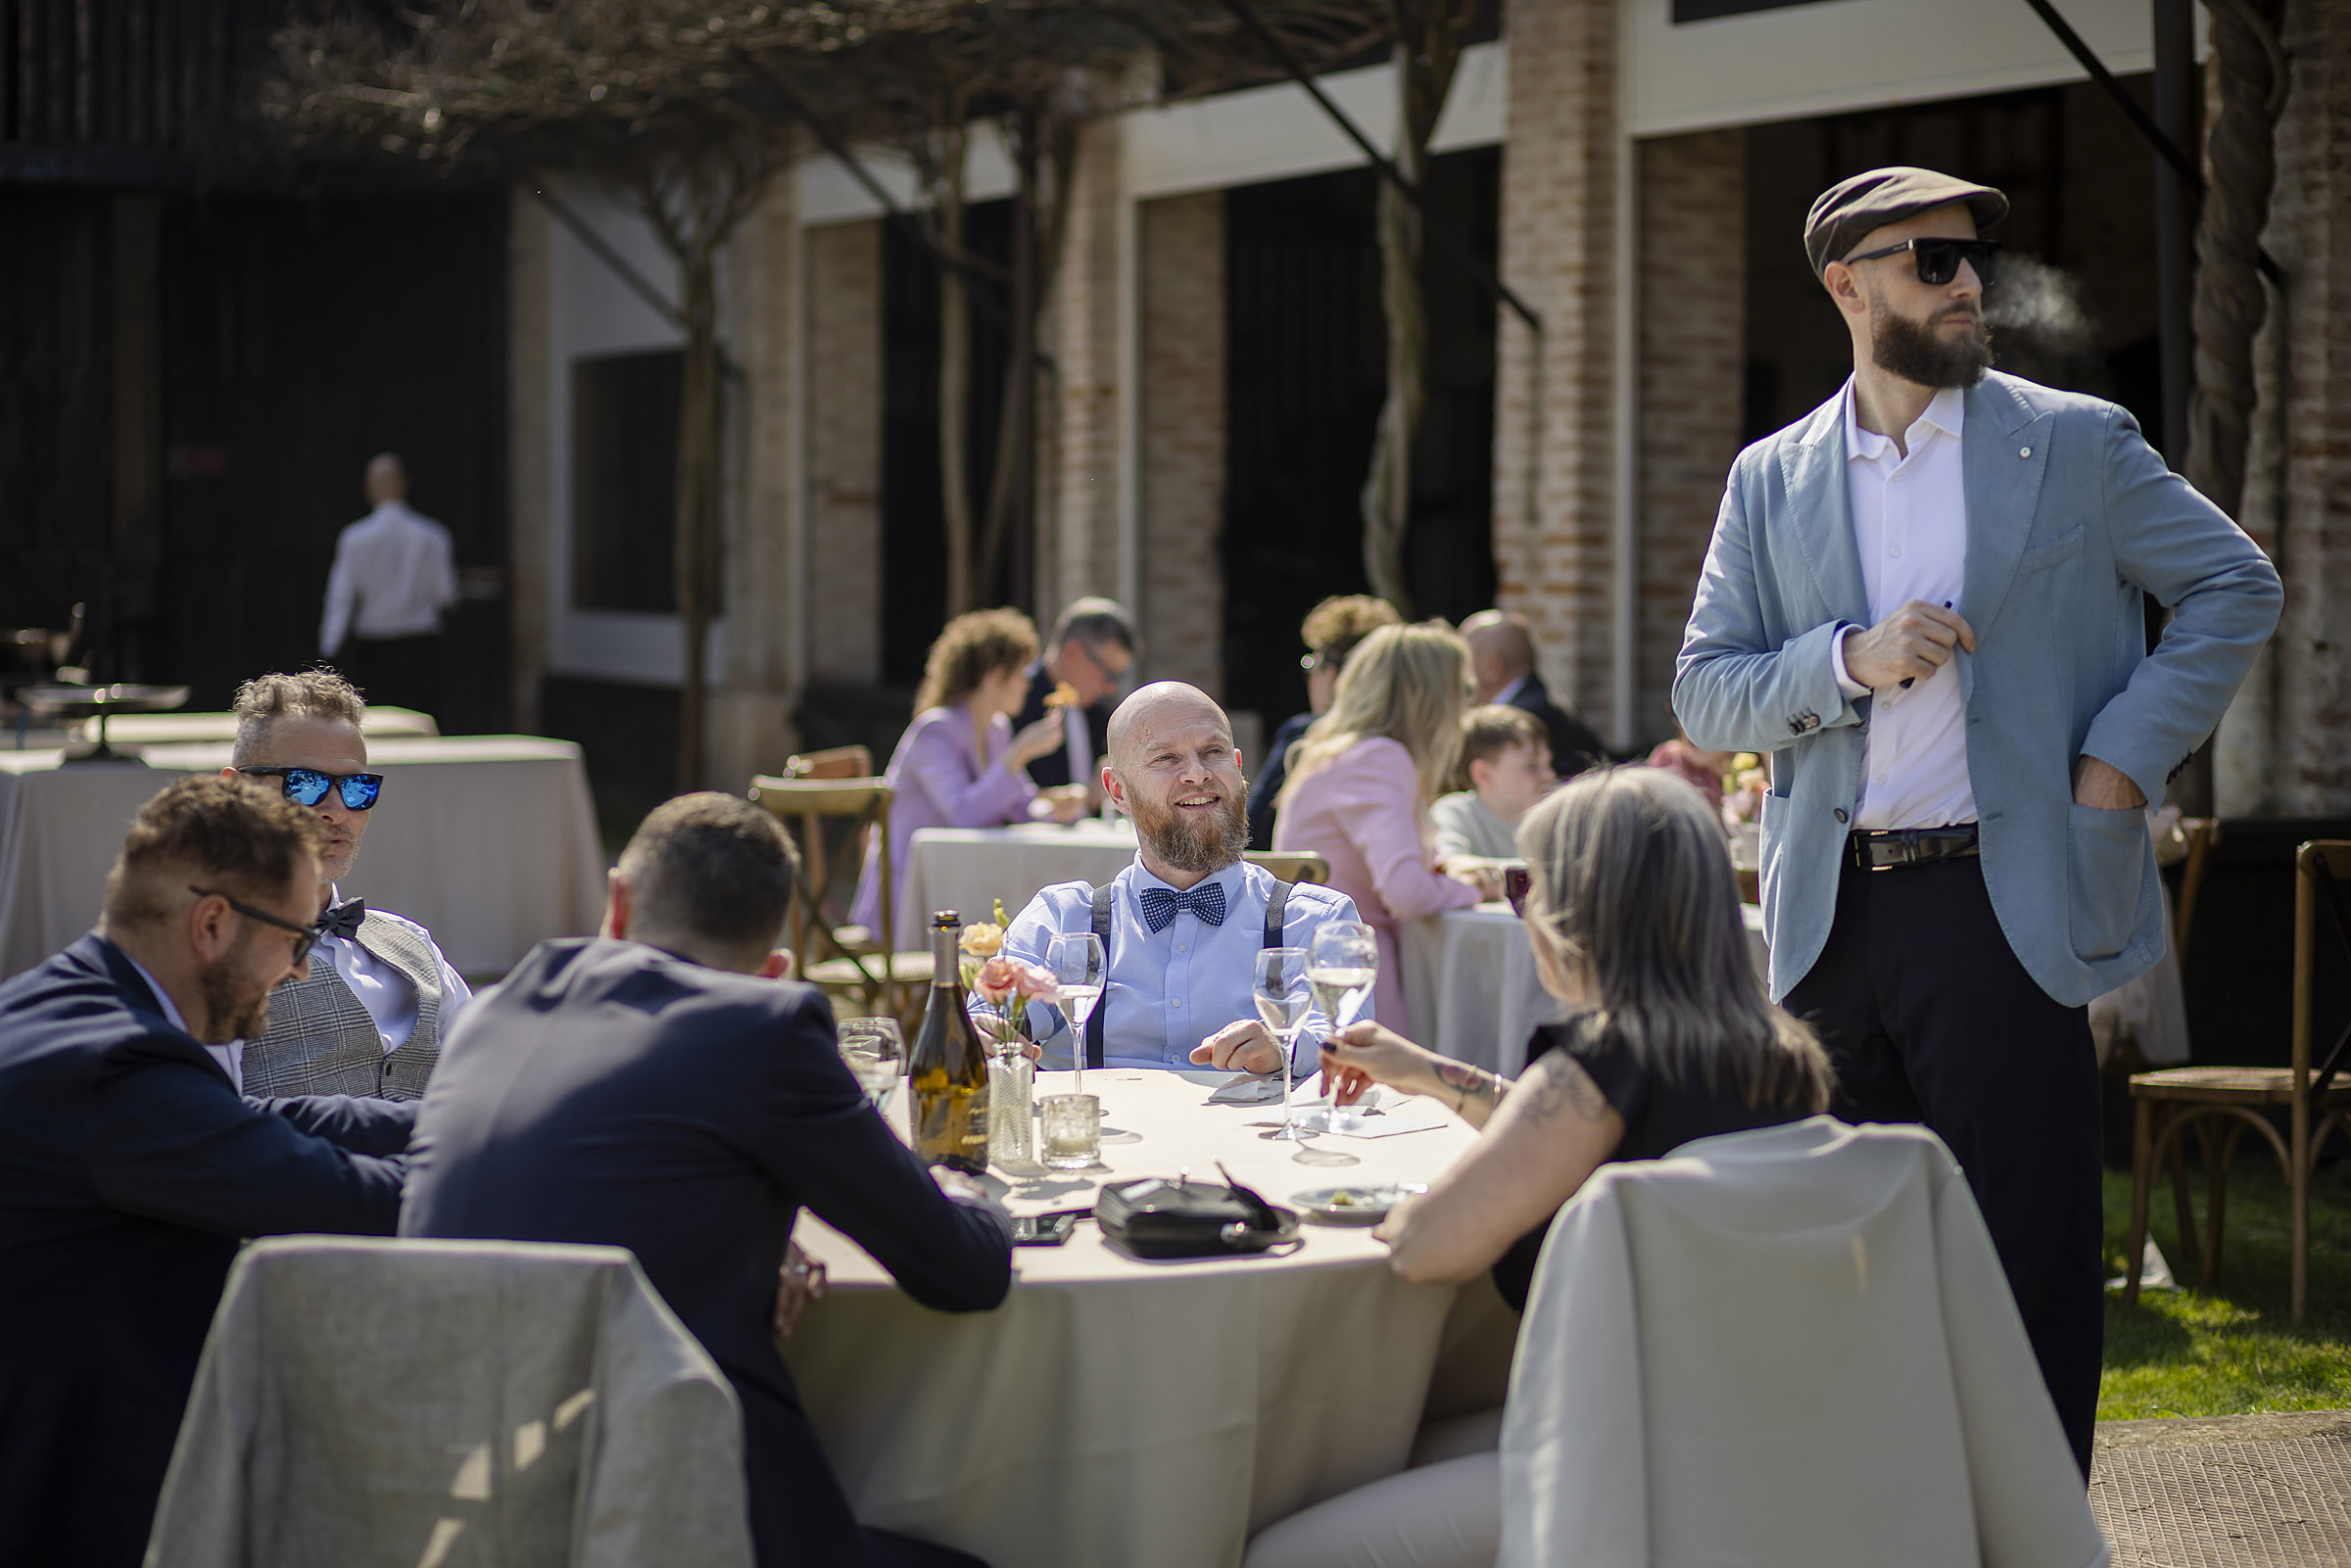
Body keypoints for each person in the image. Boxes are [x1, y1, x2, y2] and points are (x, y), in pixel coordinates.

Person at [1674, 166, 2282, 1474]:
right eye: (1931, 261)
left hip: (2001, 910)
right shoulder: (1771, 477)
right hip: (1830, 921)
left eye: (1973, 263)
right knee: (1839, 1259)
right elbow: (1706, 688)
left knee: (2028, 1259)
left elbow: (2236, 582)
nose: (1967, 285)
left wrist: (2120, 757)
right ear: (1848, 286)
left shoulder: (2072, 442)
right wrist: (1846, 660)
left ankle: (2040, 1535)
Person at [403, 793, 1013, 1568]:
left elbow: (626, 1169)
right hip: (674, 1512)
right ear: (772, 970)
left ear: (617, 902)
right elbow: (964, 1270)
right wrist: (960, 1184)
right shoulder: (766, 1027)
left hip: (457, 1497)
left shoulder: (491, 1013)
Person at [0, 776, 416, 1568]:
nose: (299, 971)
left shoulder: (72, 1004)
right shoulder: (113, 1065)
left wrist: (457, 1122)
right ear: (213, 923)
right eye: (298, 939)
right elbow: (324, 1193)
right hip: (60, 1508)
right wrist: (520, 1166)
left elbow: (264, 1121)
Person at [998, 682, 1364, 1074]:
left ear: (1238, 768)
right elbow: (995, 1021)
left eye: (1213, 752)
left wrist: (1286, 1048)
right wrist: (993, 1033)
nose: (1197, 774)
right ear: (1117, 791)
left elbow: (1347, 1047)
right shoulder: (1061, 920)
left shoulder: (1315, 921)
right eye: (1166, 759)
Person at [222, 670, 471, 1100]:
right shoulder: (206, 952)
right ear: (236, 790)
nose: (337, 811)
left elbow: (486, 1075)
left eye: (357, 787)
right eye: (306, 784)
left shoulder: (412, 941)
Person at [1272, 623, 1498, 1029]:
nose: (1469, 705)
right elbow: (1406, 893)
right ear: (1432, 698)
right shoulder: (1380, 757)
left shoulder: (1336, 752)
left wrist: (1447, 867)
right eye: (1463, 689)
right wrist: (1476, 888)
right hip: (1352, 976)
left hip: (1319, 963)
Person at [848, 609, 1087, 939]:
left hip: (962, 881)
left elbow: (1019, 805)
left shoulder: (995, 729)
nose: (1027, 683)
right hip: (909, 897)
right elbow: (963, 813)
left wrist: (1053, 807)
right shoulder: (935, 730)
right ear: (994, 676)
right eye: (1020, 672)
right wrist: (1018, 755)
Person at [1247, 594, 1403, 850]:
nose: (1310, 677)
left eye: (1311, 663)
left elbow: (1251, 834)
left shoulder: (1305, 735)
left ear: (1331, 673)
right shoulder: (1410, 740)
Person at [320, 453, 459, 716]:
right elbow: (446, 594)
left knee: (376, 724)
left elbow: (341, 596)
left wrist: (329, 647)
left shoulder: (355, 537)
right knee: (424, 719)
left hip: (374, 645)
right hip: (420, 643)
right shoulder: (432, 536)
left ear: (369, 488)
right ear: (403, 485)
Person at [1008, 595, 1136, 797]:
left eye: (1119, 677)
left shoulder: (1101, 716)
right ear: (1072, 652)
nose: (1111, 688)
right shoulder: (1014, 702)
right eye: (1108, 673)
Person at [1458, 608, 1607, 779]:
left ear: (1492, 668)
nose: (1457, 674)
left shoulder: (1520, 719)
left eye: (1462, 661)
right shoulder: (1546, 703)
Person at [1429, 705, 1555, 861]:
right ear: (1484, 774)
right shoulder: (1457, 813)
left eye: (1548, 763)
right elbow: (1452, 863)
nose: (1549, 775)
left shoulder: (1552, 822)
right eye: (1531, 765)